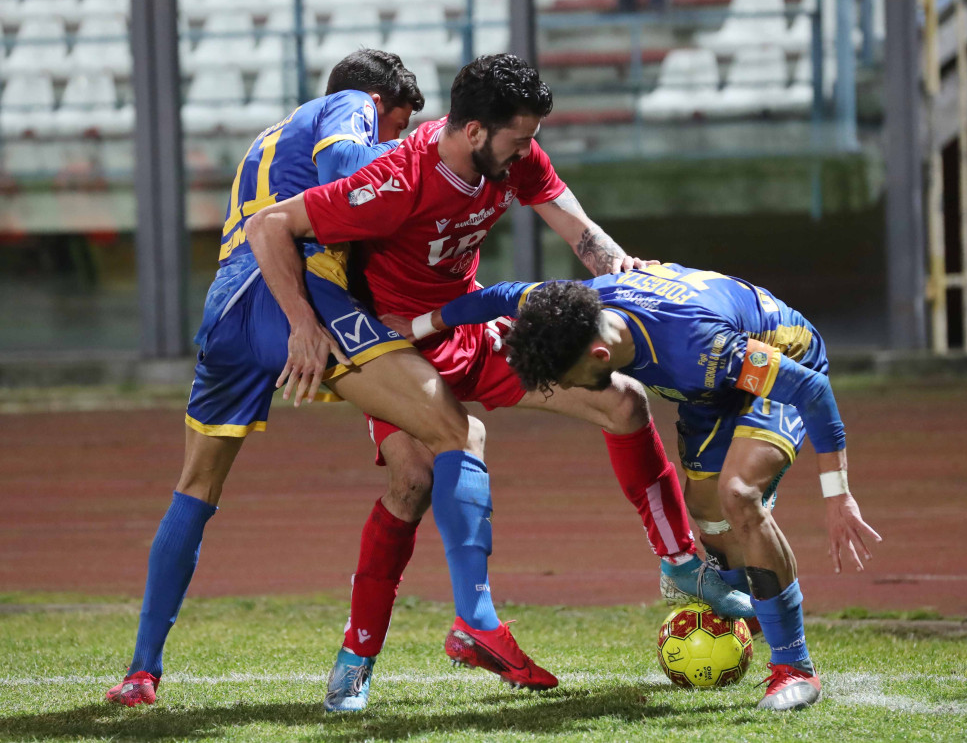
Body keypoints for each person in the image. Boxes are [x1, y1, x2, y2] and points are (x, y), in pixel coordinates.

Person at [246, 54, 753, 712]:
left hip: (466, 322)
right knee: (412, 482)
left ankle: (680, 562)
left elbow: (581, 234)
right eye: (519, 138)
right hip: (395, 344)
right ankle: (358, 658)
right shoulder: (397, 180)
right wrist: (301, 325)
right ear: (475, 131)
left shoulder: (515, 156)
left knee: (624, 401)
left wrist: (630, 272)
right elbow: (270, 225)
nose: (528, 150)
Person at [103, 50, 552, 708]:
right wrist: (421, 163)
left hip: (225, 311)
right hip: (296, 299)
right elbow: (345, 170)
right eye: (399, 123)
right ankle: (476, 619)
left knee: (196, 488)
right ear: (379, 101)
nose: (400, 136)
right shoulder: (349, 105)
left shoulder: (275, 134)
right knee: (457, 431)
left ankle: (142, 670)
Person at [393, 263, 883, 710]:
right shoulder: (569, 307)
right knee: (708, 514)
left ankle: (795, 669)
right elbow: (498, 295)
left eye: (571, 379)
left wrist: (838, 494)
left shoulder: (698, 347)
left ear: (599, 353)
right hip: (712, 389)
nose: (575, 390)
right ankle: (753, 606)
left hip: (783, 358)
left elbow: (811, 390)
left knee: (738, 494)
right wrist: (418, 329)